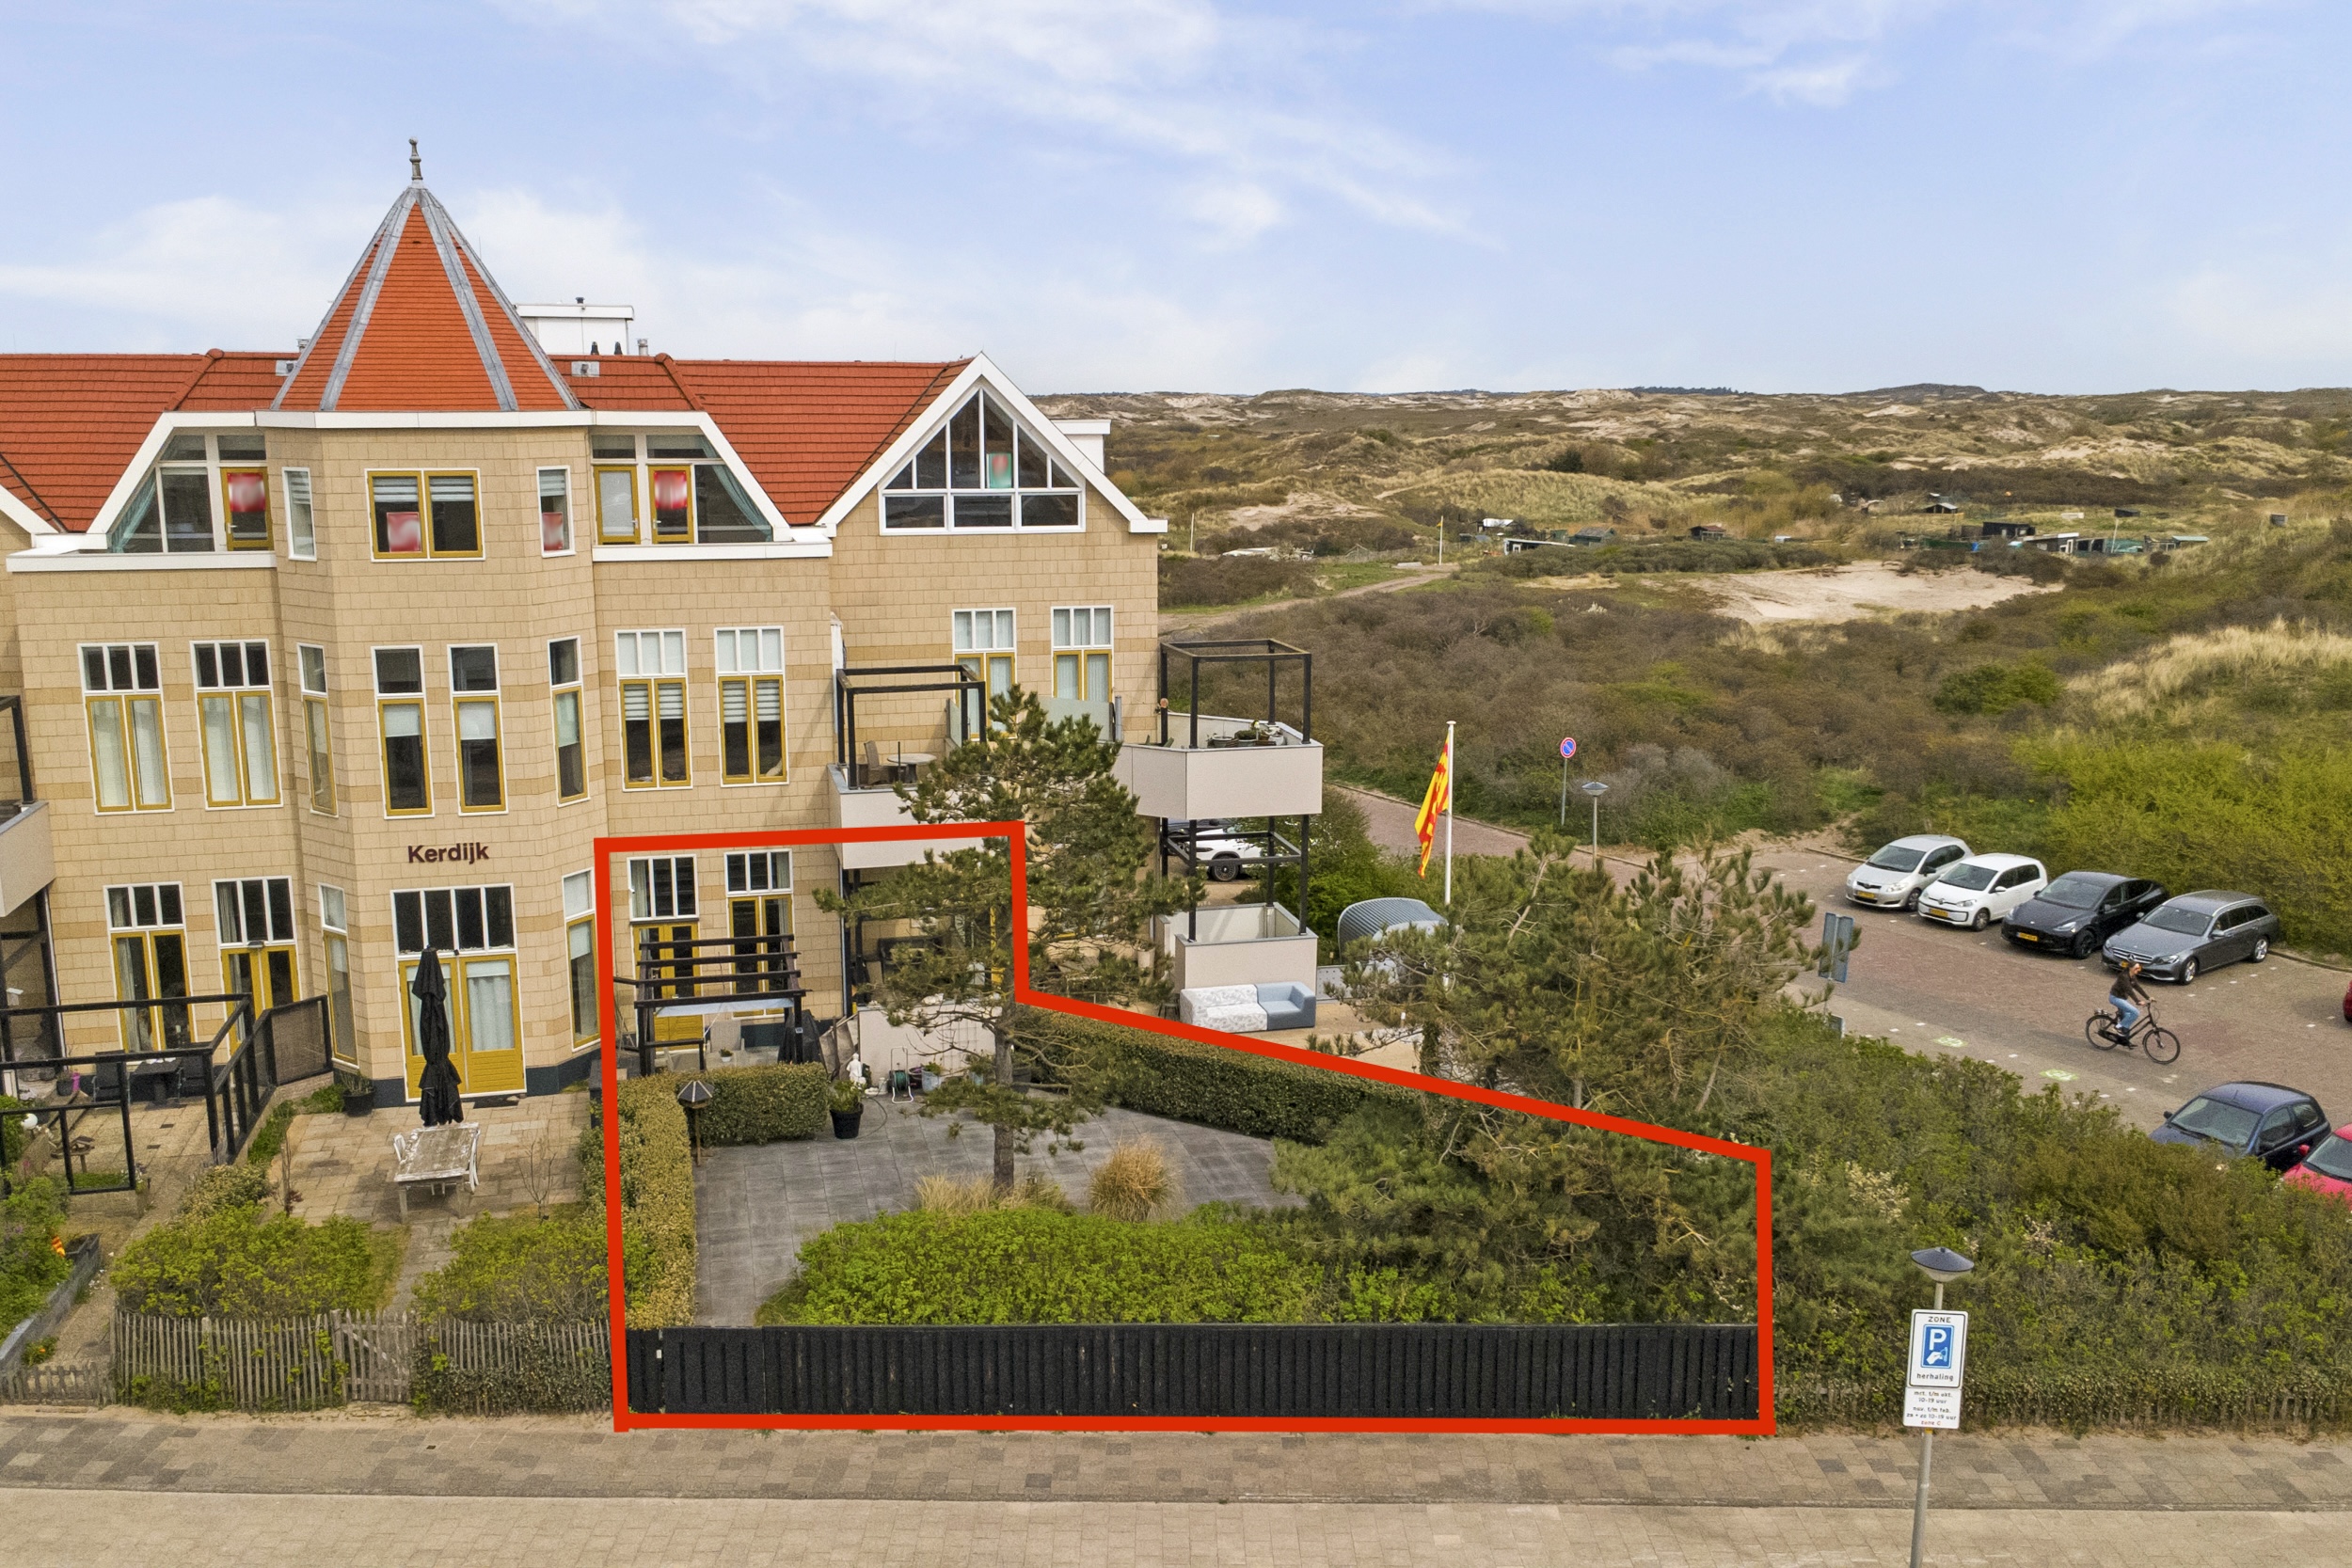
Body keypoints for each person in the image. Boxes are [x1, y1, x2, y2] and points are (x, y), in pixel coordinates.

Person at [2106, 961, 2151, 1043]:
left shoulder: (2132, 976)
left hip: (2123, 999)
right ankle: (2117, 1027)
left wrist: (2148, 997)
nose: (2138, 970)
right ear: (2130, 968)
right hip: (2115, 998)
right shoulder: (2124, 976)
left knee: (2127, 1017)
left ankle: (2125, 1040)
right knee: (2135, 1012)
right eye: (2136, 968)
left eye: (2139, 968)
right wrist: (2137, 1001)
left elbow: (2137, 987)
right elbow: (2129, 990)